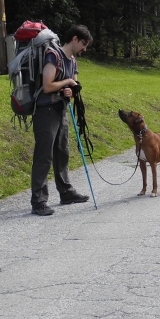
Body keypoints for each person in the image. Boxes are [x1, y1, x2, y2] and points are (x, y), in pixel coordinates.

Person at [30, 24, 93, 216]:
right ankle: (39, 201)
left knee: (62, 152)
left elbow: (73, 85)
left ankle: (66, 192)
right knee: (44, 155)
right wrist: (66, 83)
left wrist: (70, 90)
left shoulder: (72, 60)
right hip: (45, 110)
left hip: (61, 108)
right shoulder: (53, 55)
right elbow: (48, 85)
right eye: (84, 43)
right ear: (74, 39)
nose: (85, 48)